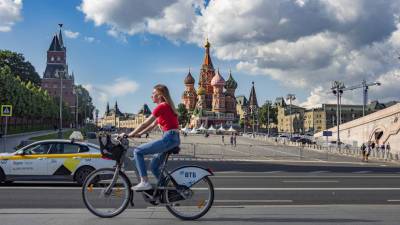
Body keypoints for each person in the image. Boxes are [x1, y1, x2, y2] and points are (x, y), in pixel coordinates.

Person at [124, 84, 180, 191]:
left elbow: (145, 123)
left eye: (153, 93)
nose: (151, 96)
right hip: (172, 138)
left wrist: (129, 134)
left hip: (169, 138)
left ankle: (144, 182)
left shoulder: (161, 106)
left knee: (137, 151)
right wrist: (138, 134)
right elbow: (150, 126)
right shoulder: (166, 107)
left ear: (159, 95)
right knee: (154, 167)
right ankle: (168, 191)